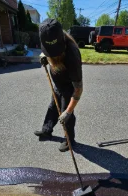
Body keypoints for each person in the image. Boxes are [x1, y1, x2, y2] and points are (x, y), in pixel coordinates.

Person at [34, 19, 83, 152]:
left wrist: (68, 112)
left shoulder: (72, 56)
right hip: (57, 83)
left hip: (68, 87)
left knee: (65, 116)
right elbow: (46, 50)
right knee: (52, 108)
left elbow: (78, 89)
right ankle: (46, 130)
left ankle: (69, 140)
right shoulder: (49, 35)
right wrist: (44, 55)